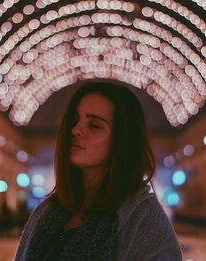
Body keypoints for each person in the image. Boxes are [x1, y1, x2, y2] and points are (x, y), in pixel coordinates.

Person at [15, 81, 182, 260]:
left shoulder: (143, 220)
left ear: (122, 140)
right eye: (74, 120)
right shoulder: (46, 211)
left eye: (94, 125)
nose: (76, 130)